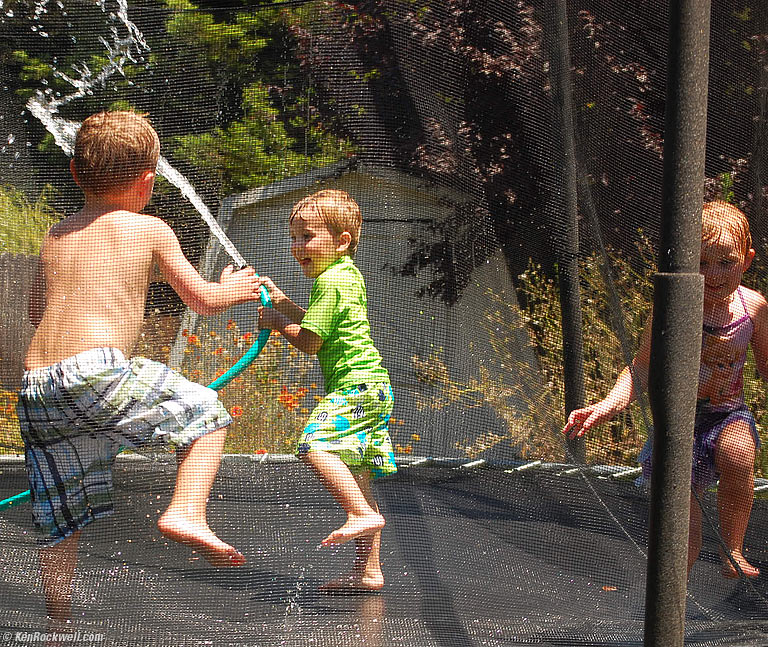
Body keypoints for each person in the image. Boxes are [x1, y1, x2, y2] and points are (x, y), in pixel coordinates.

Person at [19, 111, 260, 628]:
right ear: (149, 181)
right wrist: (235, 288)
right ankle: (186, 511)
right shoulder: (150, 228)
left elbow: (37, 313)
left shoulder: (56, 235)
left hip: (38, 386)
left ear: (75, 173)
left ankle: (57, 624)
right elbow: (203, 300)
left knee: (61, 517)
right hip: (95, 370)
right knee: (206, 413)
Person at [563, 200, 767, 579]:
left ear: (747, 260)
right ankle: (669, 602)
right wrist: (609, 404)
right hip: (678, 425)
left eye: (726, 262)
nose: (714, 274)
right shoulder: (672, 306)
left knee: (739, 454)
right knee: (683, 536)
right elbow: (642, 366)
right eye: (701, 262)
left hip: (727, 413)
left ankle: (734, 550)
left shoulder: (753, 308)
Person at [256, 189, 396, 591]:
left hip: (356, 386)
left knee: (313, 446)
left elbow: (311, 341)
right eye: (294, 238)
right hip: (375, 389)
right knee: (359, 476)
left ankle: (359, 514)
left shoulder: (330, 282)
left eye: (308, 237)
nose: (298, 246)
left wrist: (275, 323)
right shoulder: (345, 275)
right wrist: (284, 304)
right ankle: (368, 571)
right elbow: (322, 324)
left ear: (342, 241)